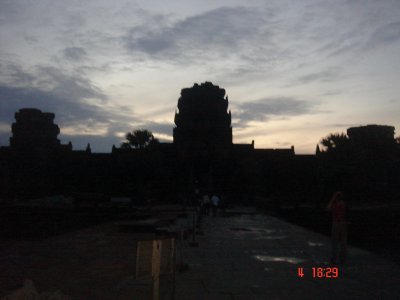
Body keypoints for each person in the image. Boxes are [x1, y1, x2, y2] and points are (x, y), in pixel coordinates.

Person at [327, 191, 347, 265]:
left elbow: (328, 207)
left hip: (336, 223)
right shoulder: (342, 204)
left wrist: (332, 199)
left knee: (335, 242)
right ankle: (342, 259)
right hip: (342, 222)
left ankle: (334, 258)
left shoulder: (335, 204)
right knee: (342, 242)